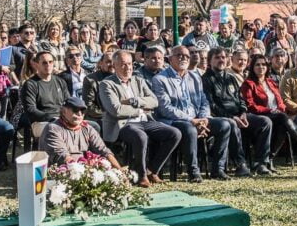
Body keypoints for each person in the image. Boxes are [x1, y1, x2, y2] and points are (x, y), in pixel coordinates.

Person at [100, 50, 181, 186]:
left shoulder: (138, 80)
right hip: (122, 124)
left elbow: (154, 101)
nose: (128, 68)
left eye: (130, 64)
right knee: (140, 136)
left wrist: (135, 101)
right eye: (123, 65)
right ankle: (141, 175)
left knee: (174, 133)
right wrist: (139, 110)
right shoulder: (107, 84)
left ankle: (152, 170)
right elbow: (116, 110)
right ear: (115, 66)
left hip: (144, 121)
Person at [152, 45, 233, 182]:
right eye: (179, 55)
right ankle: (193, 172)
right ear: (170, 59)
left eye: (187, 56)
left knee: (224, 125)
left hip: (198, 119)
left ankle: (218, 169)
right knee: (190, 129)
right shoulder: (160, 79)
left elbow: (203, 101)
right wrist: (191, 120)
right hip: (173, 121)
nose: (184, 58)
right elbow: (165, 108)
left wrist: (204, 118)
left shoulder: (195, 77)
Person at [241, 54, 297, 171]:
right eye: (257, 65)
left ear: (267, 67)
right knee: (282, 119)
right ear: (252, 67)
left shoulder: (271, 82)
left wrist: (281, 110)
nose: (261, 67)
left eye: (263, 64)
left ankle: (268, 159)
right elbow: (251, 106)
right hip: (259, 116)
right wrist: (271, 110)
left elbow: (280, 101)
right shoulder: (248, 84)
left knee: (283, 124)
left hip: (277, 116)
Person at [203, 47, 271, 176]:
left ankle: (261, 163)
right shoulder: (205, 80)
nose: (221, 60)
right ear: (209, 61)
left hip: (240, 115)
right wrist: (233, 117)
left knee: (265, 121)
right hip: (221, 117)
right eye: (217, 58)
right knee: (232, 124)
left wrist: (243, 113)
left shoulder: (231, 78)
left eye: (223, 57)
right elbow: (211, 105)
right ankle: (241, 164)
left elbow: (241, 100)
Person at [42, 96, 121, 168]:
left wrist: (119, 170)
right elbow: (62, 156)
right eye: (75, 110)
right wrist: (85, 170)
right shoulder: (53, 128)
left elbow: (104, 151)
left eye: (83, 110)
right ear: (64, 111)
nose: (79, 114)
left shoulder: (87, 128)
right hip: (60, 172)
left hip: (84, 170)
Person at [82, 53, 113, 124]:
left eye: (114, 61)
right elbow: (89, 106)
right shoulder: (90, 80)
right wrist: (109, 114)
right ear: (100, 63)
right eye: (108, 62)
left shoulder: (119, 78)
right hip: (98, 118)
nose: (112, 64)